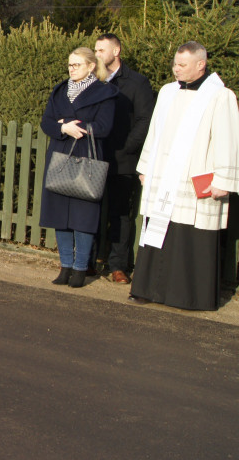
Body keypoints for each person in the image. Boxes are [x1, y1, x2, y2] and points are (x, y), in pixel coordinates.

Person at [131, 41, 239, 311]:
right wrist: (146, 166)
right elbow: (154, 131)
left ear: (200, 65)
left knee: (189, 234)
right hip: (164, 175)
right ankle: (148, 289)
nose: (175, 69)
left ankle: (187, 296)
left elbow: (228, 139)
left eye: (182, 65)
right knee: (157, 231)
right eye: (175, 64)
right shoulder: (168, 92)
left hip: (196, 175)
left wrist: (223, 181)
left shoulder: (219, 96)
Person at [39, 47, 117, 288]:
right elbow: (46, 121)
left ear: (91, 66)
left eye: (77, 65)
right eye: (70, 65)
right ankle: (65, 267)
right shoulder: (60, 90)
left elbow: (104, 127)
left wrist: (74, 125)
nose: (71, 69)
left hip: (86, 157)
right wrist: (62, 128)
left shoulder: (105, 92)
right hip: (60, 155)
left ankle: (81, 269)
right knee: (59, 216)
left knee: (84, 216)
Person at [94, 33, 155, 283]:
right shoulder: (92, 80)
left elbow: (144, 120)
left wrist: (127, 147)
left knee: (120, 212)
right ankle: (89, 260)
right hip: (95, 156)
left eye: (101, 50)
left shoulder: (137, 82)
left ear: (116, 51)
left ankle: (118, 265)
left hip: (123, 159)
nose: (96, 54)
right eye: (95, 50)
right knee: (92, 209)